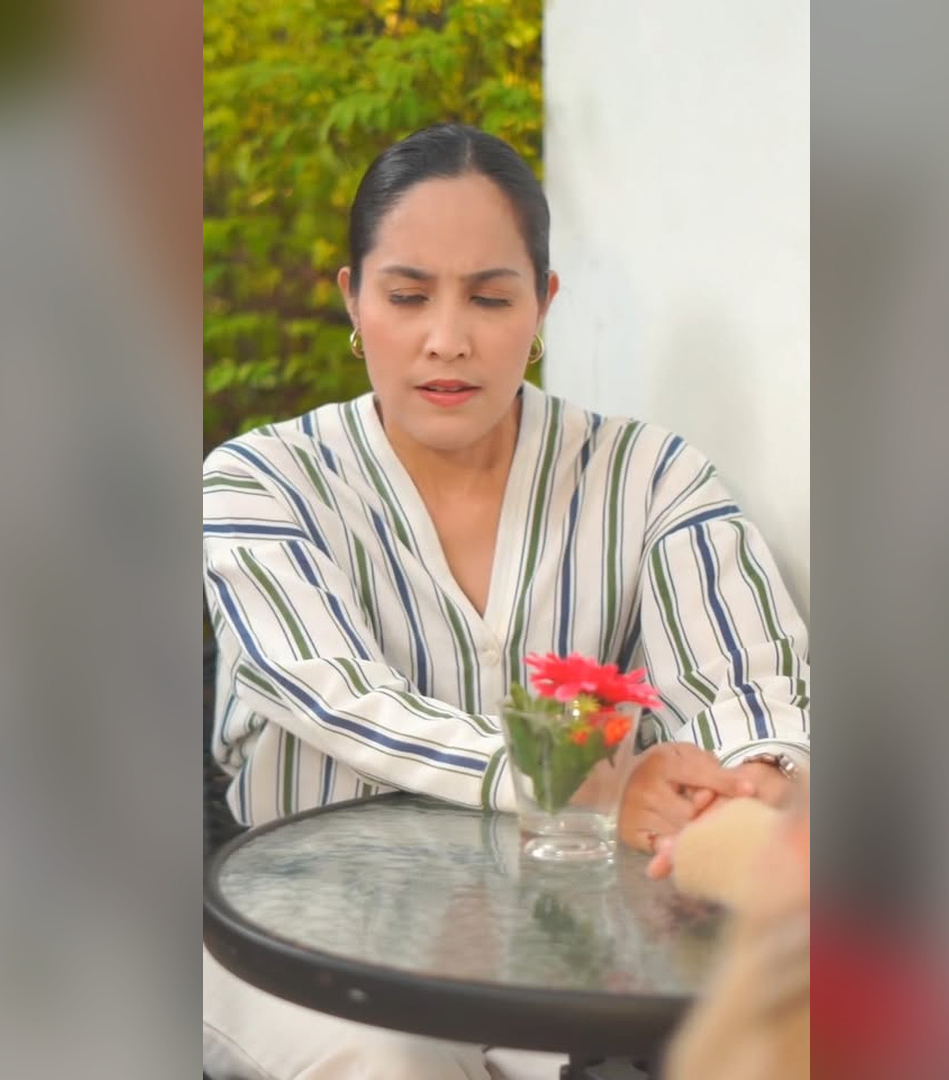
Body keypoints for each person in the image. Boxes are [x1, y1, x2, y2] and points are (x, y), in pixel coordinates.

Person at [201, 123, 811, 1080]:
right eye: (407, 295)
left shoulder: (650, 476)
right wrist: (586, 782)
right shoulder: (258, 483)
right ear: (353, 299)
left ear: (544, 303)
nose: (449, 339)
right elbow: (329, 691)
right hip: (301, 946)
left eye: (490, 297)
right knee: (391, 1067)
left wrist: (748, 780)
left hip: (571, 953)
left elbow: (746, 682)